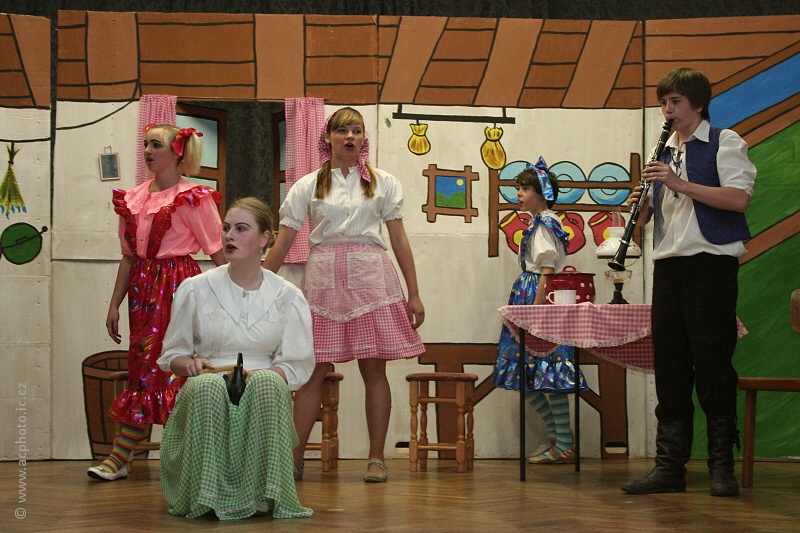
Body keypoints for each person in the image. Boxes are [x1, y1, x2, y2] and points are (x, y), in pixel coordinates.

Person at [264, 107, 425, 483]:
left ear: (363, 138)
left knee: (374, 370)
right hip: (323, 281)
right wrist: (258, 286)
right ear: (328, 137)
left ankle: (376, 458)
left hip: (372, 280)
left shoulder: (384, 182)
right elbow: (283, 241)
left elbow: (399, 240)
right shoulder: (307, 185)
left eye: (356, 131)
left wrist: (414, 293)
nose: (349, 137)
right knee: (312, 373)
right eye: (342, 131)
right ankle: (293, 458)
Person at [621, 67, 756, 497]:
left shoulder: (724, 141)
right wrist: (640, 208)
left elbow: (738, 199)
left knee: (713, 366)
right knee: (671, 367)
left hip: (711, 265)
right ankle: (669, 468)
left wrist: (679, 182)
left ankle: (721, 468)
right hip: (670, 265)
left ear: (697, 104)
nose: (667, 110)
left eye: (675, 102)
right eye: (663, 102)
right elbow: (657, 214)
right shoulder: (664, 151)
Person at [157, 197, 315, 520]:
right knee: (206, 387)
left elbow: (296, 364)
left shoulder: (288, 296)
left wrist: (268, 375)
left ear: (264, 238)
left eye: (241, 229)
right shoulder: (196, 288)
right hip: (210, 378)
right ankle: (204, 493)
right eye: (226, 228)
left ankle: (264, 492)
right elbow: (172, 354)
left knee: (268, 384)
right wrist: (189, 364)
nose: (229, 235)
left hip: (262, 380)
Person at [87, 124, 226, 481]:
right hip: (142, 289)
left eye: (156, 145)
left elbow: (217, 252)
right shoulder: (132, 199)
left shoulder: (193, 197)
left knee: (182, 367)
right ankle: (121, 457)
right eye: (146, 144)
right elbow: (128, 256)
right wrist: (114, 304)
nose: (148, 151)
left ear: (177, 152)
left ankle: (189, 458)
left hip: (181, 286)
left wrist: (239, 297)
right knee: (143, 368)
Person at [493, 157, 587, 464]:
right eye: (518, 188)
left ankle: (563, 441)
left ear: (541, 192)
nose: (519, 194)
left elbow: (547, 269)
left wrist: (535, 311)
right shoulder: (541, 222)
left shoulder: (545, 224)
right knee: (528, 373)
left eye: (524, 188)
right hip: (532, 292)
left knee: (546, 369)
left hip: (538, 295)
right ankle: (559, 436)